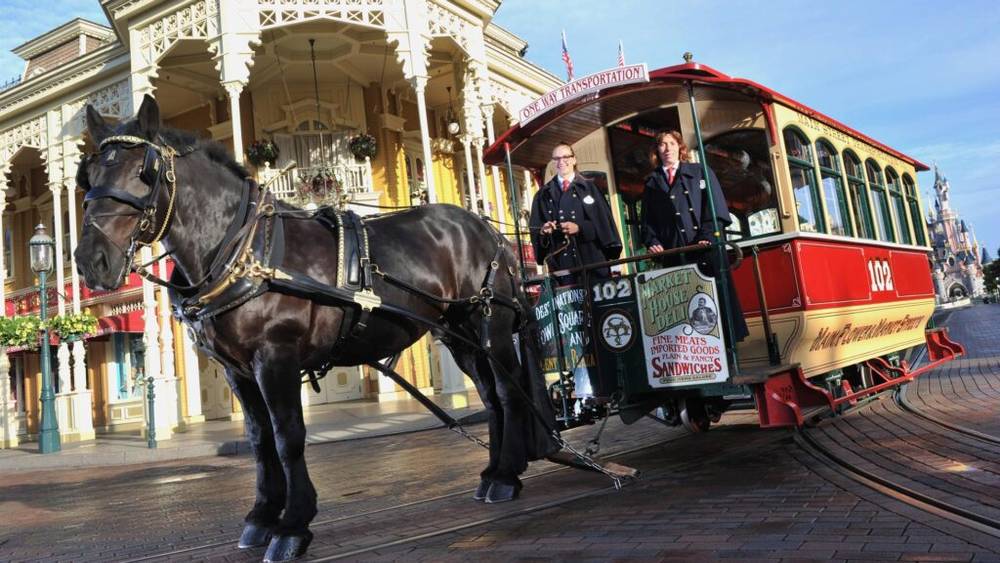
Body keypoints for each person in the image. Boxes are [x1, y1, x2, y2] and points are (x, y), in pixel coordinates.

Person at [641, 130, 749, 341]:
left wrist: (706, 236)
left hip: (704, 251)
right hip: (674, 256)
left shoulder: (700, 172)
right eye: (662, 145)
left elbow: (714, 208)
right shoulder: (651, 183)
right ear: (657, 151)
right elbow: (647, 223)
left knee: (715, 301)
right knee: (683, 307)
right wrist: (653, 242)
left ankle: (727, 350)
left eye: (672, 144)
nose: (667, 148)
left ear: (680, 148)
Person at [529, 142, 622, 284]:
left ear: (573, 159)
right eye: (557, 158)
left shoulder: (590, 189)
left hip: (593, 264)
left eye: (565, 157)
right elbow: (536, 232)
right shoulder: (542, 195)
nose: (561, 161)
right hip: (562, 268)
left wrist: (580, 228)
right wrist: (544, 232)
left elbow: (604, 226)